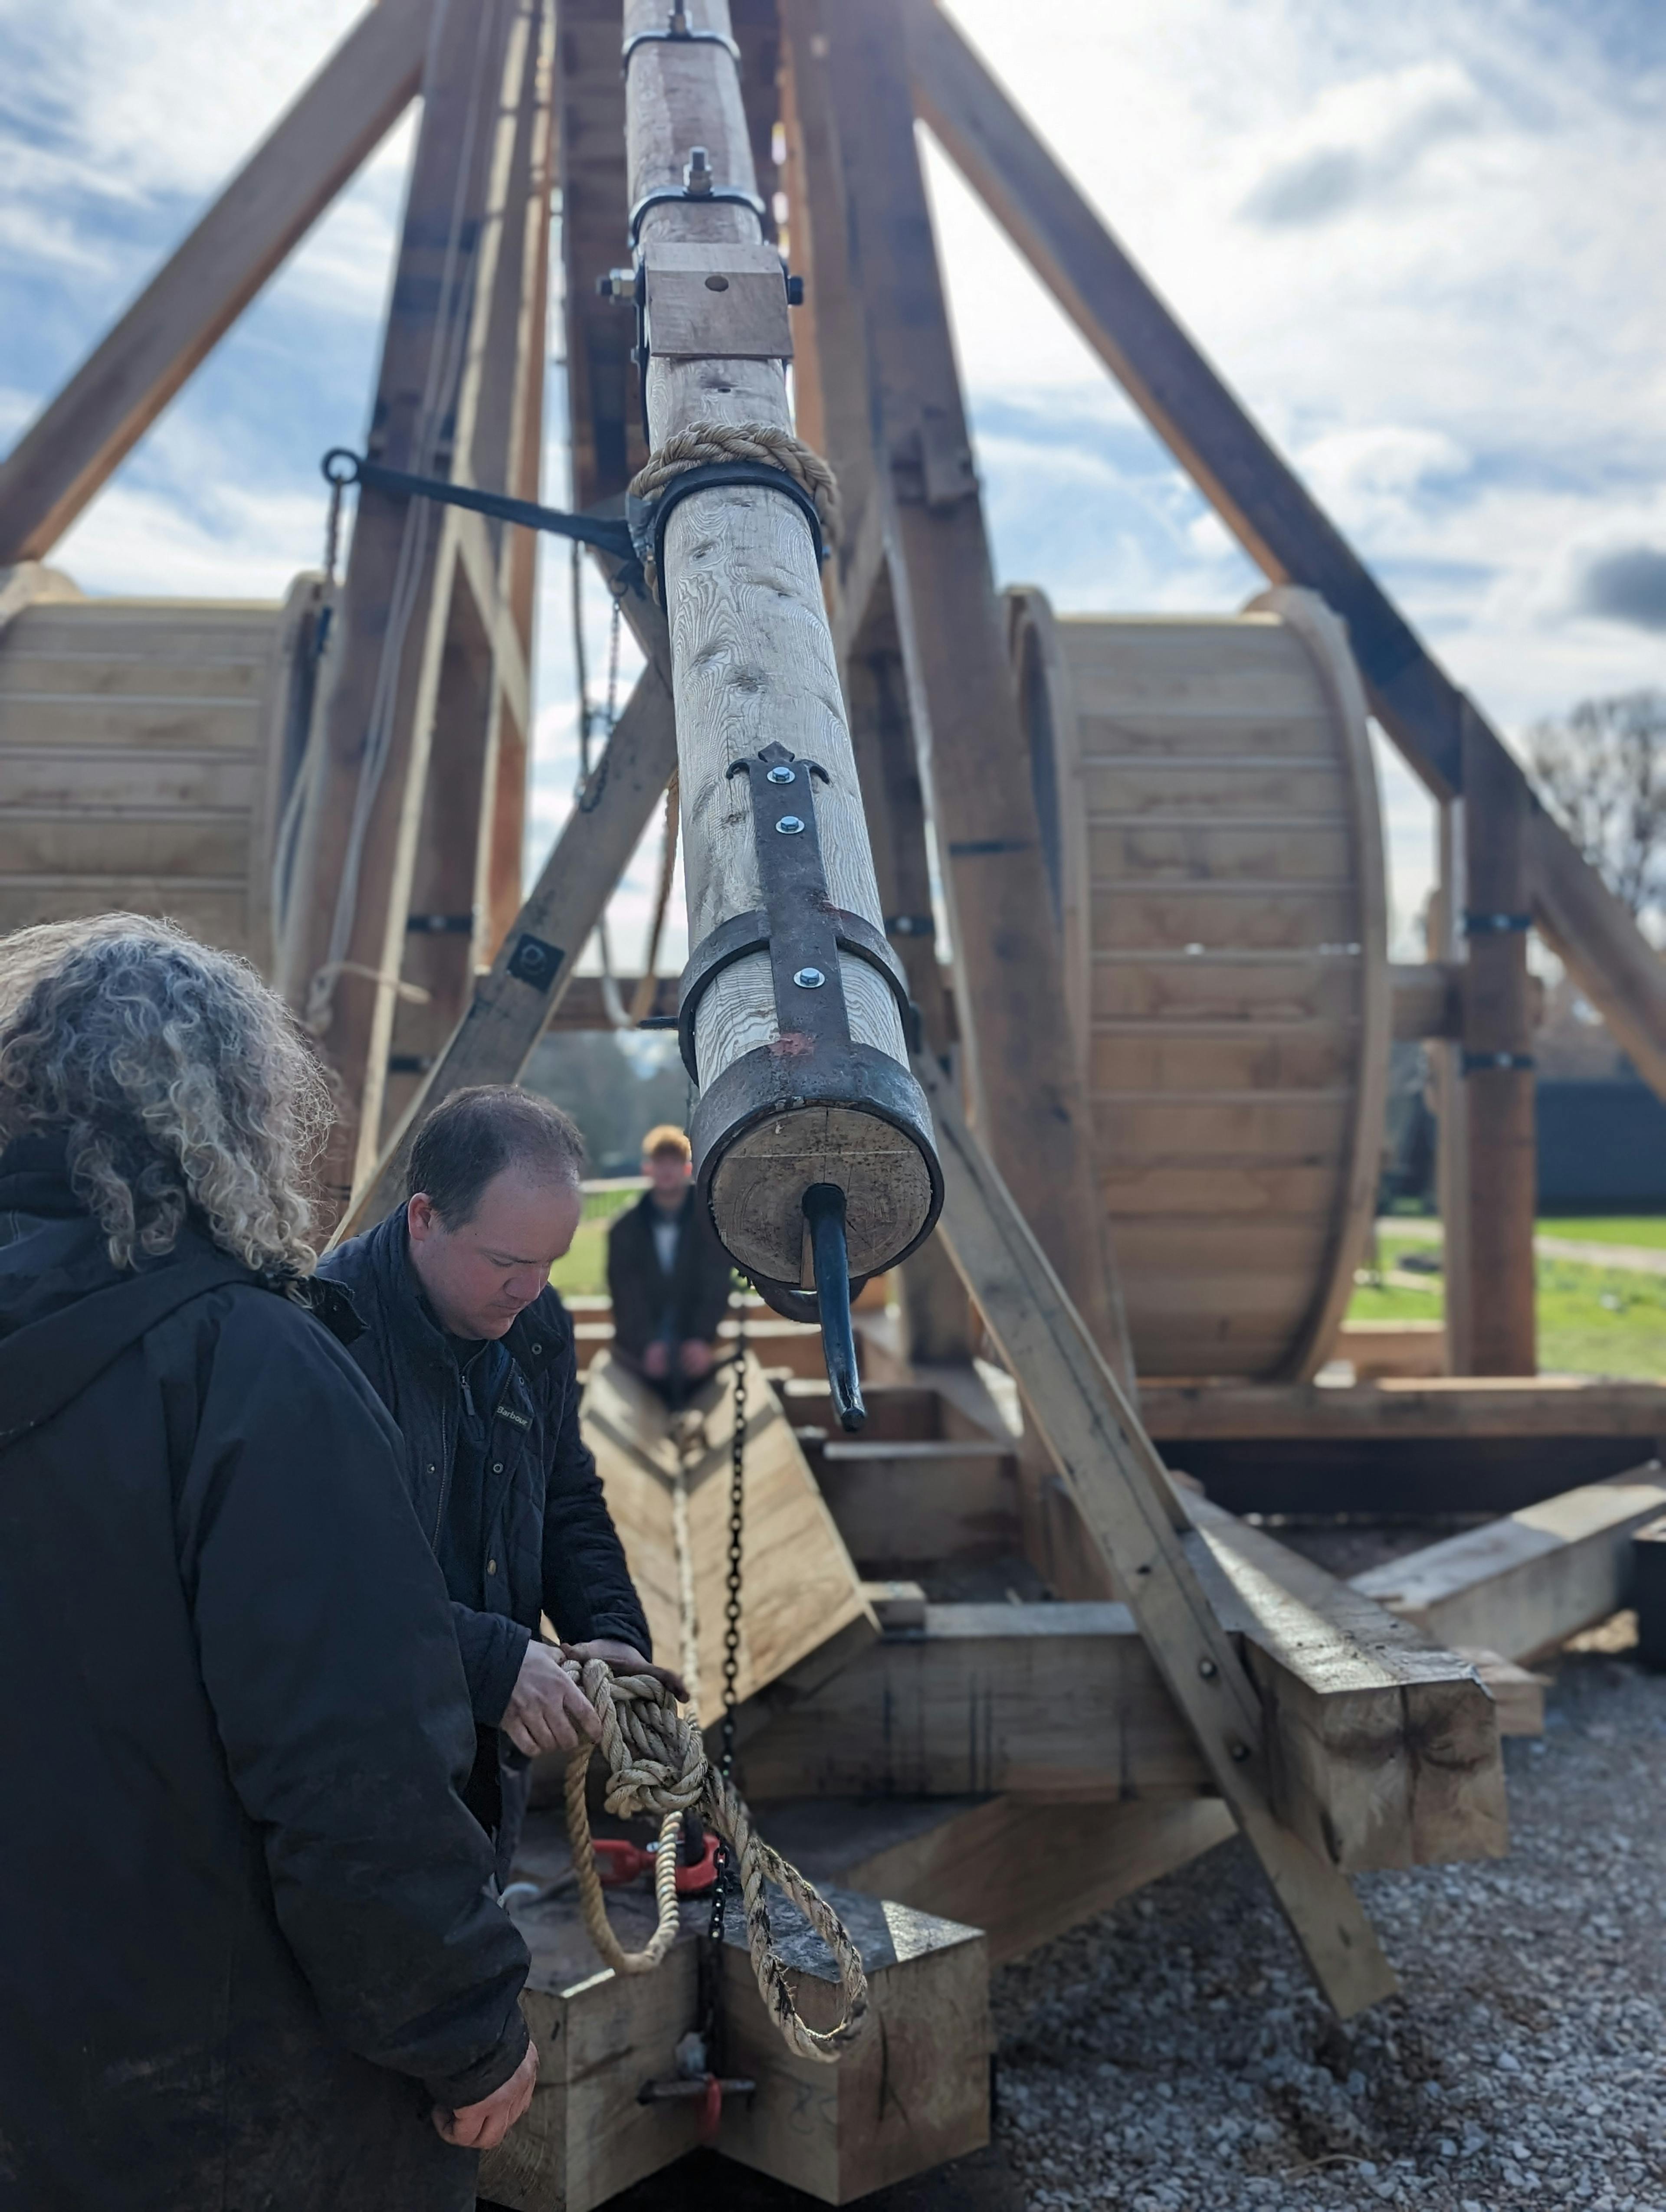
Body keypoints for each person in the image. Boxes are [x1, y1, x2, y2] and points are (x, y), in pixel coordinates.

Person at [0, 917, 538, 2212]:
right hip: (222, 2098)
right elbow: (352, 1763)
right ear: (233, 1110)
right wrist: (465, 2024)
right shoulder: (251, 1370)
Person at [318, 1086, 680, 1882]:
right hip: (356, 1778)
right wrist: (491, 1662)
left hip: (487, 1760)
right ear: (424, 1218)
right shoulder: (322, 1344)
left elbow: (563, 1496)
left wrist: (611, 1630)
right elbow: (317, 1580)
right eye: (509, 1262)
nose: (532, 1289)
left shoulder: (538, 1326)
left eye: (550, 1263)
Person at [606, 1124, 735, 1400]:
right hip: (641, 1352)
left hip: (696, 1346)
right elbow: (625, 1292)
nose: (666, 1170)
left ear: (687, 1169)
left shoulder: (710, 1226)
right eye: (659, 1163)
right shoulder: (624, 1229)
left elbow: (716, 1284)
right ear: (648, 1169)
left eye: (674, 1162)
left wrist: (702, 1339)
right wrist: (646, 1345)